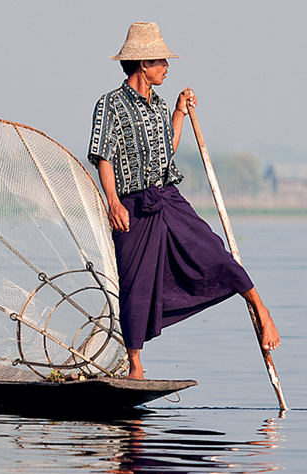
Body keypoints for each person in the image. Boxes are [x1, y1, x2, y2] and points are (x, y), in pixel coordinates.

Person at [87, 22, 280, 379]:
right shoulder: (110, 105)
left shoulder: (159, 105)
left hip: (168, 199)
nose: (166, 67)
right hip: (132, 207)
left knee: (213, 252)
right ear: (142, 64)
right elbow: (103, 156)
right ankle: (135, 366)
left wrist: (178, 112)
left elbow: (165, 153)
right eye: (161, 61)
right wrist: (112, 202)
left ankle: (262, 309)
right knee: (134, 284)